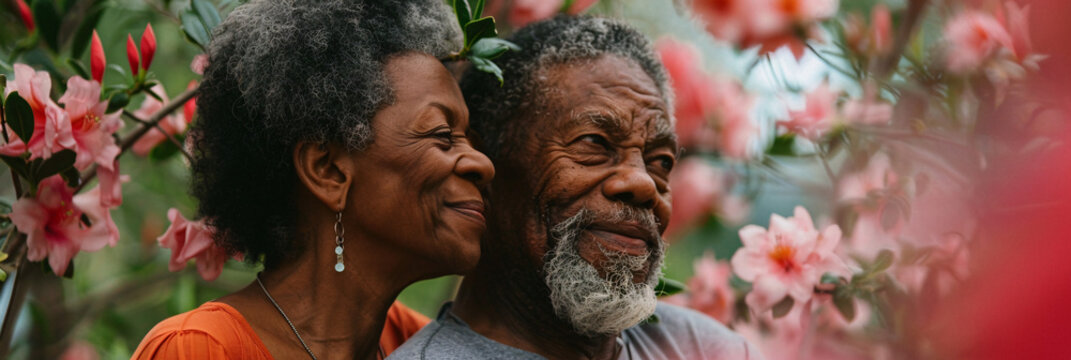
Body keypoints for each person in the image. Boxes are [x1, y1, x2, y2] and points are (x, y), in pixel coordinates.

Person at [133, 0, 494, 359]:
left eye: (471, 141)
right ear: (328, 171)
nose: (482, 164)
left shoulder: (422, 346)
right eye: (442, 135)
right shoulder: (200, 349)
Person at [389, 15, 760, 360]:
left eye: (660, 161)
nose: (643, 182)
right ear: (480, 164)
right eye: (594, 143)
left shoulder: (708, 348)